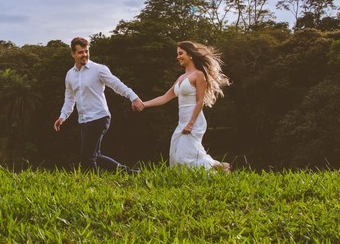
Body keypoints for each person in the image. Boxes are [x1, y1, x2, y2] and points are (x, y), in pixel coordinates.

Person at [138, 40, 231, 172]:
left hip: (194, 121)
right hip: (182, 122)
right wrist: (143, 104)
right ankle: (219, 166)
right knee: (175, 155)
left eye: (181, 53)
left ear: (190, 55)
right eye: (177, 54)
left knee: (185, 157)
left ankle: (216, 170)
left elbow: (200, 101)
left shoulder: (198, 75)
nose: (178, 57)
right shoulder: (181, 78)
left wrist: (191, 123)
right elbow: (165, 97)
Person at [54, 36, 144, 172]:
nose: (84, 55)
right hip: (84, 120)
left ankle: (93, 187)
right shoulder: (70, 75)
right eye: (80, 52)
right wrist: (63, 116)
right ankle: (130, 173)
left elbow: (117, 85)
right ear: (72, 54)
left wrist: (134, 97)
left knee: (87, 157)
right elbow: (69, 98)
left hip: (99, 117)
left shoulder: (98, 69)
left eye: (86, 51)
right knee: (96, 155)